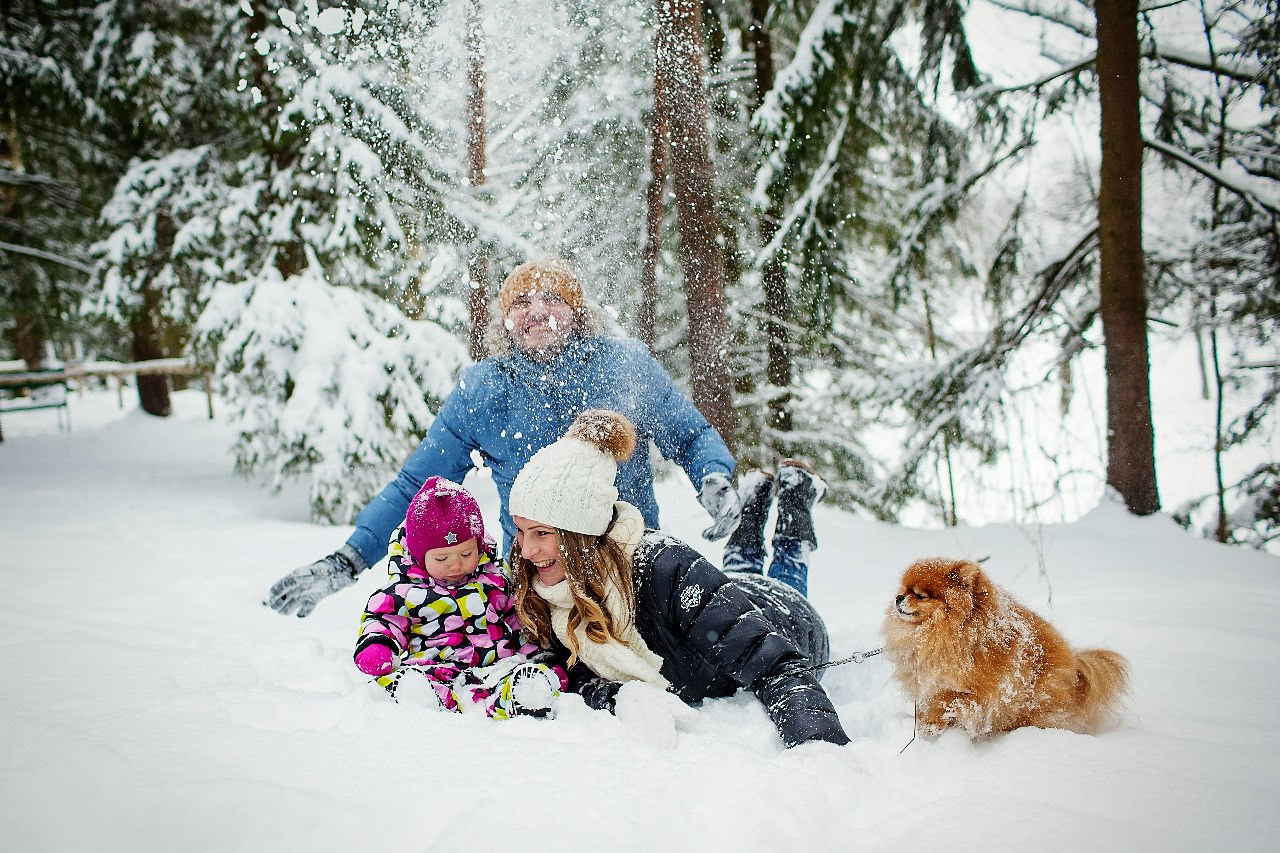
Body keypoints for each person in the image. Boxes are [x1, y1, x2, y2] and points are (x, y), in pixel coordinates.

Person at [267, 258, 741, 617]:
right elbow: (417, 486)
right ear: (506, 320)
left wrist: (714, 477)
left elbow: (690, 436)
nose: (536, 311)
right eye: (520, 302)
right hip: (537, 585)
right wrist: (347, 560)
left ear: (576, 311)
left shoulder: (625, 365)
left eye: (551, 298)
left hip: (629, 565)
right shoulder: (484, 390)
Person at [507, 409, 850, 748]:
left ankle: (795, 498)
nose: (525, 550)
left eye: (541, 533)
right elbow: (572, 672)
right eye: (520, 531)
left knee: (787, 572)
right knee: (737, 571)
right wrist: (618, 695)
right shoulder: (549, 589)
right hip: (725, 593)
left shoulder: (664, 568)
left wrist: (819, 748)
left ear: (580, 534)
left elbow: (772, 661)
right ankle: (754, 507)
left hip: (788, 616)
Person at [353, 475, 565, 719]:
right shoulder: (405, 591)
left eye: (466, 554)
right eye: (442, 558)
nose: (455, 566)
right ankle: (419, 698)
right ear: (419, 556)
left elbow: (519, 621)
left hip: (496, 666)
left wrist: (539, 656)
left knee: (520, 674)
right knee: (401, 681)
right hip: (435, 668)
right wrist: (377, 646)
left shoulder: (495, 579)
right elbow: (383, 620)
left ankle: (524, 695)